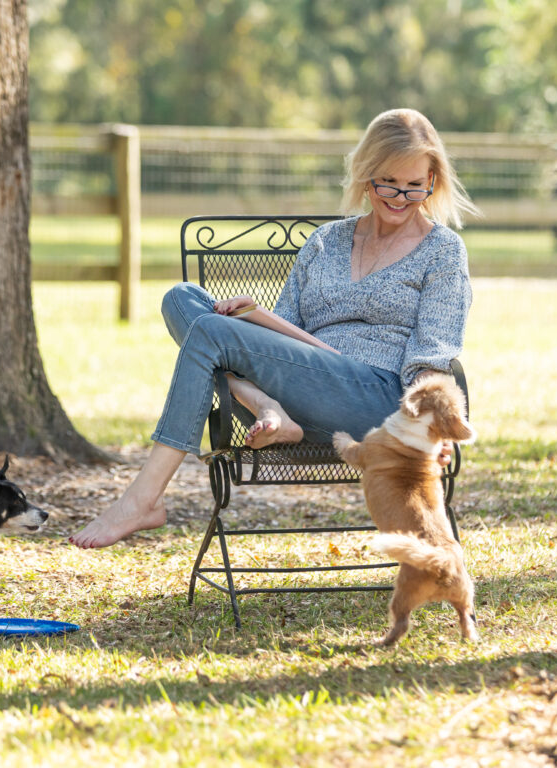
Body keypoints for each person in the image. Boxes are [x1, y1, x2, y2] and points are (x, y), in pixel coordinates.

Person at [70, 108, 479, 549]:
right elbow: (280, 340)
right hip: (300, 395)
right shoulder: (327, 241)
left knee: (209, 333)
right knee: (181, 298)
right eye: (388, 183)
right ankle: (267, 406)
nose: (401, 197)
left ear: (433, 180)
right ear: (365, 175)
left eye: (416, 186)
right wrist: (257, 318)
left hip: (375, 402)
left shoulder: (442, 252)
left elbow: (430, 358)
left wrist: (429, 428)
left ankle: (142, 501)